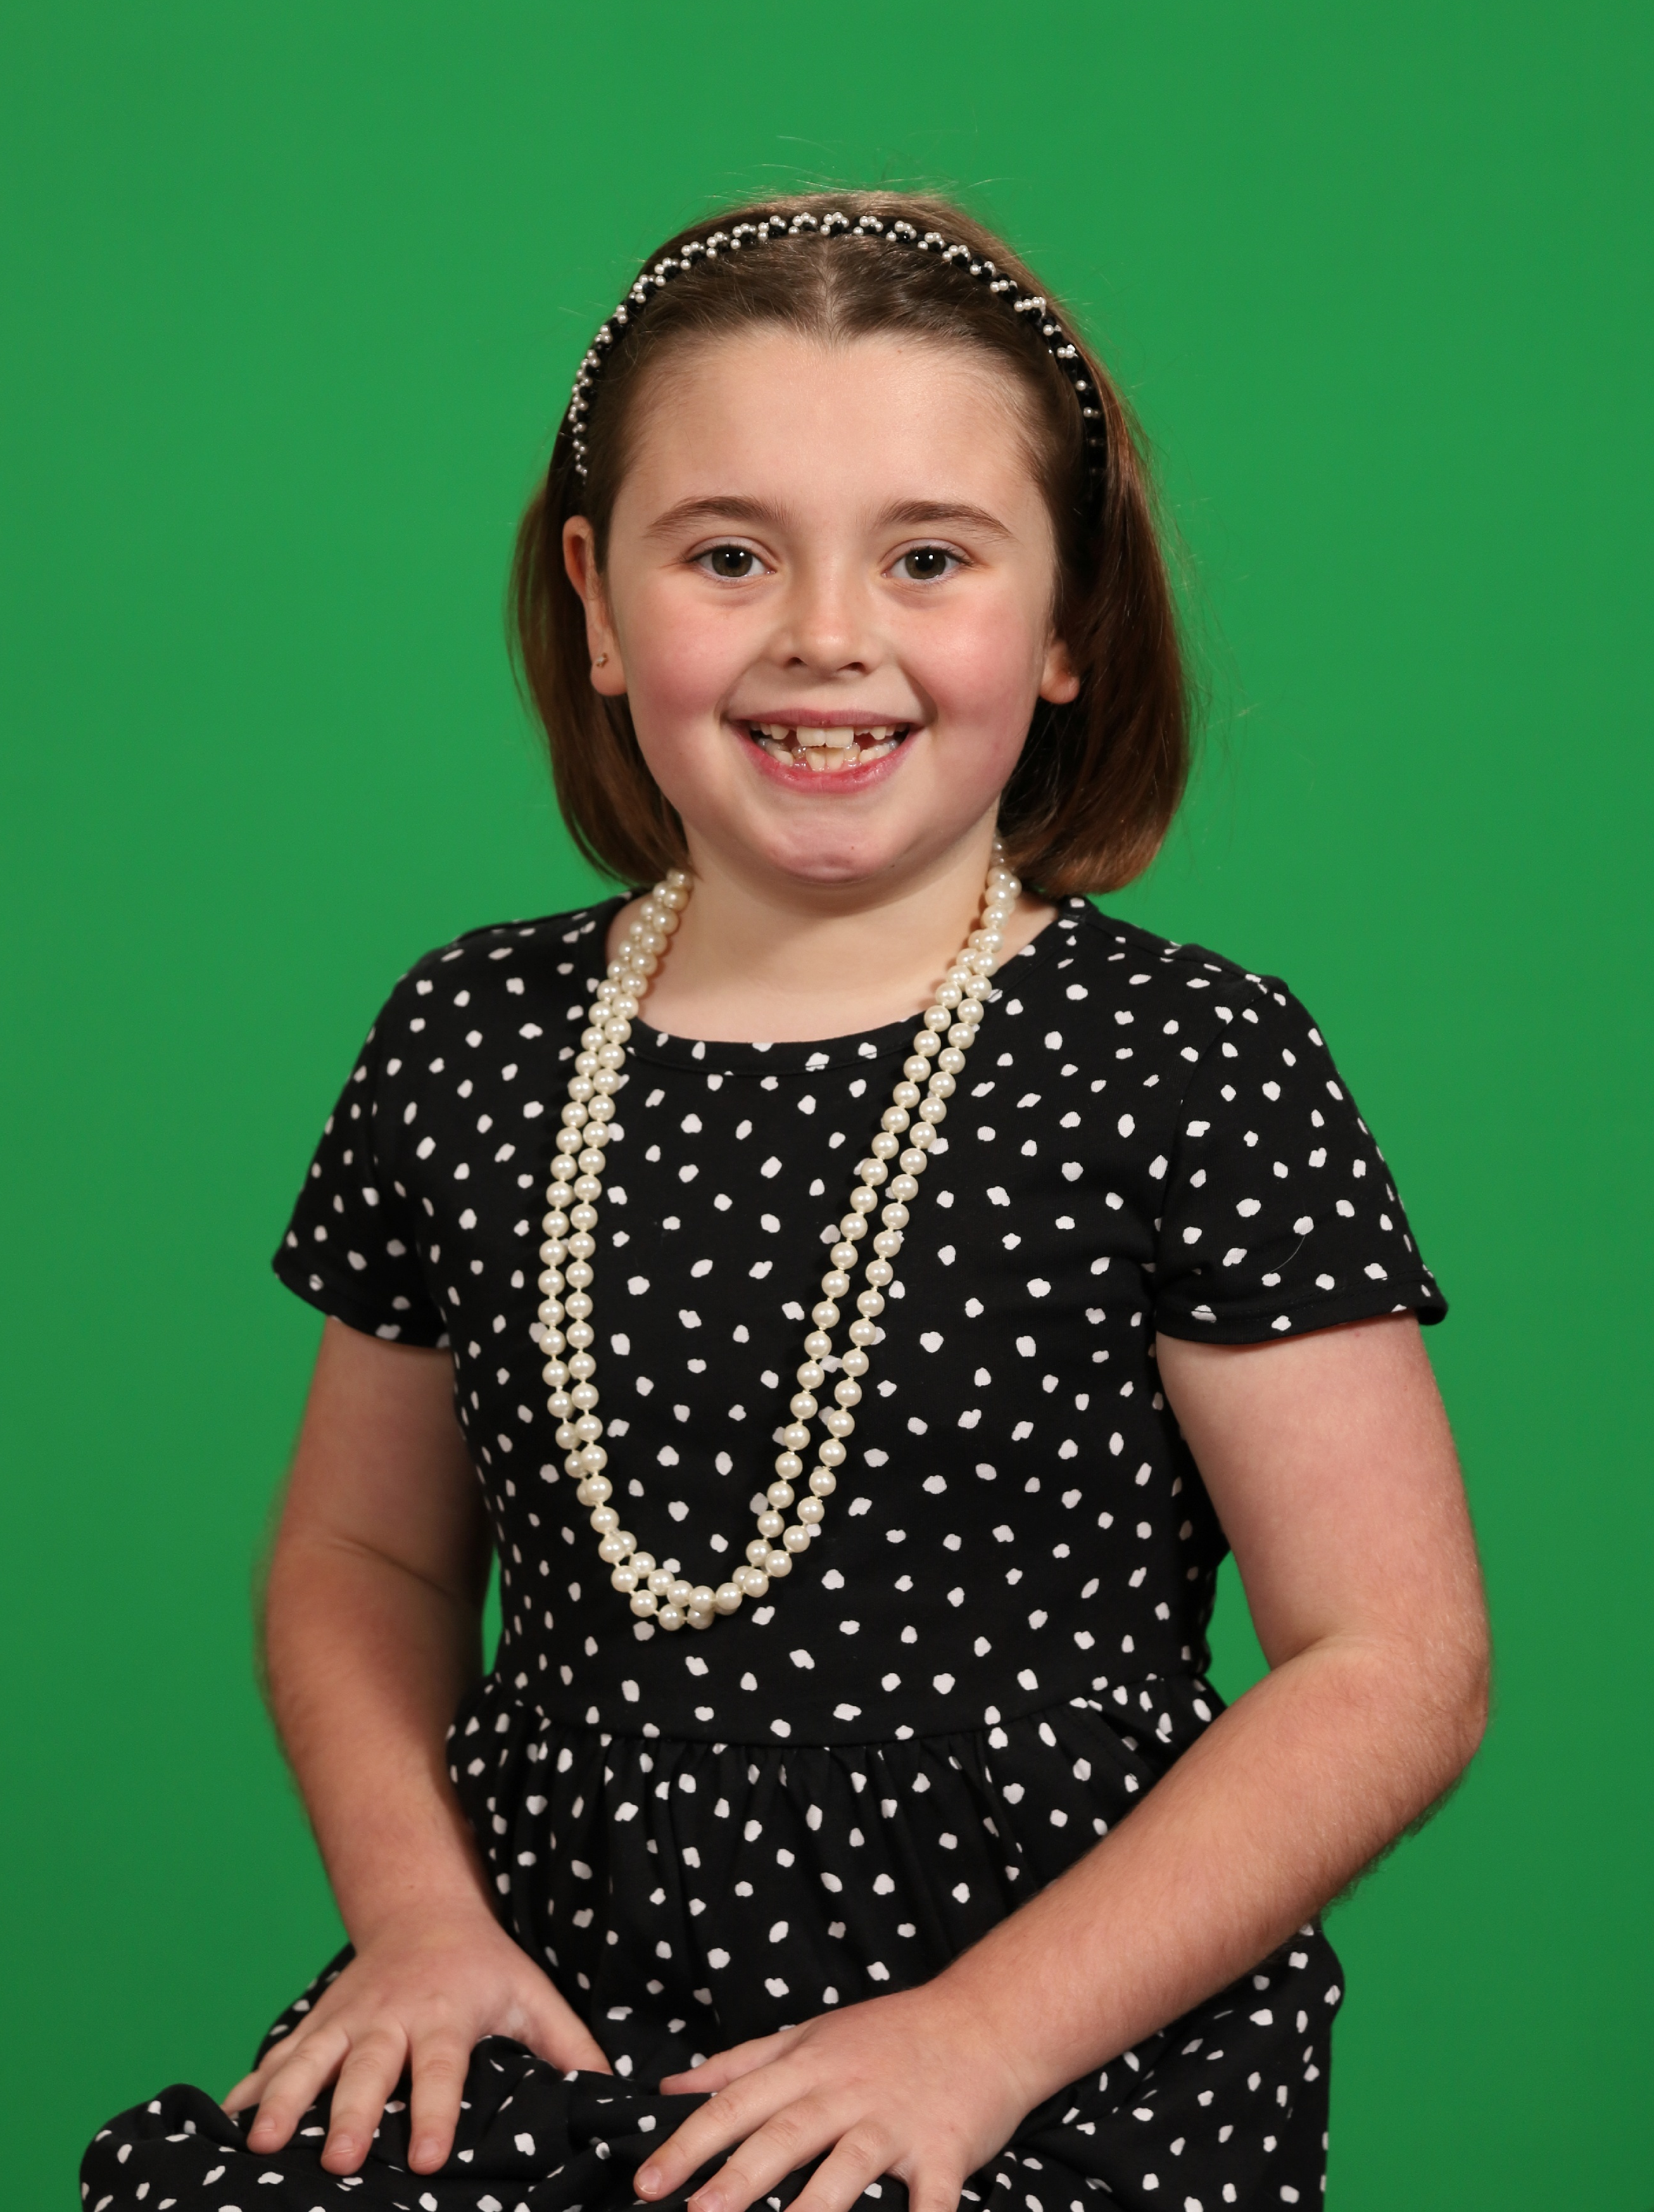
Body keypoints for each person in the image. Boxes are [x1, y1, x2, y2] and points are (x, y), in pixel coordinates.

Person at [82, 192, 1489, 2212]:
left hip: (1048, 2052)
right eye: (729, 555)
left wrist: (977, 2039)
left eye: (930, 558)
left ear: (1071, 621)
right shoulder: (473, 1039)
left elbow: (1392, 1658)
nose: (828, 635)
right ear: (596, 599)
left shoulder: (1189, 1064)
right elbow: (362, 1553)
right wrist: (419, 1924)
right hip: (555, 2016)